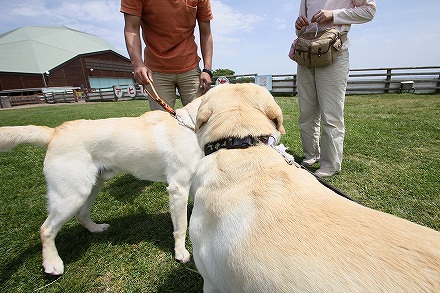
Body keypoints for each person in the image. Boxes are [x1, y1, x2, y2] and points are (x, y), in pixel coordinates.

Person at [294, 0, 376, 177]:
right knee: (306, 112)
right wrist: (299, 26)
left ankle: (330, 164)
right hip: (307, 51)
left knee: (331, 114)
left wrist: (334, 15)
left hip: (333, 50)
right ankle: (310, 155)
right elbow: (301, 27)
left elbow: (369, 11)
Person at [120, 0, 214, 110]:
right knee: (160, 122)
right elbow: (131, 28)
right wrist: (138, 64)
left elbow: (206, 32)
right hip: (156, 71)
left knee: (199, 117)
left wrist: (207, 70)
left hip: (190, 68)